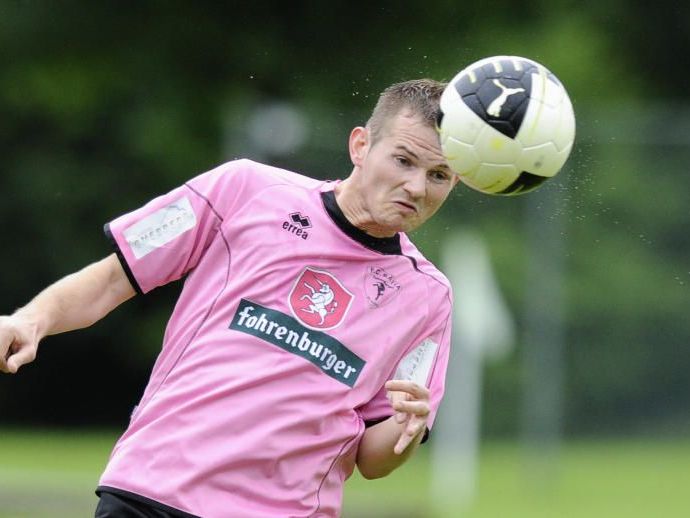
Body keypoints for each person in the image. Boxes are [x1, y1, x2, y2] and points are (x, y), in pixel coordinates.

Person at [0, 79, 460, 517]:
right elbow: (112, 280)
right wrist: (31, 320)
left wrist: (407, 425)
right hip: (154, 488)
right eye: (403, 161)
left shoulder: (428, 297)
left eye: (439, 174)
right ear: (360, 145)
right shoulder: (244, 189)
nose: (417, 188)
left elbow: (372, 461)